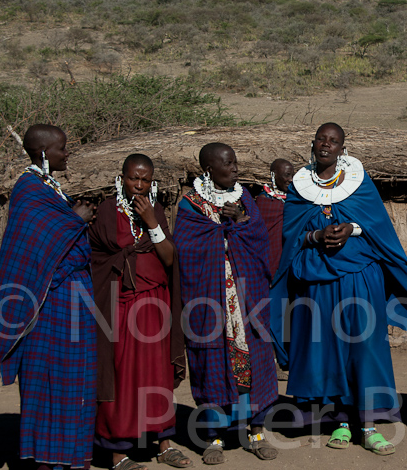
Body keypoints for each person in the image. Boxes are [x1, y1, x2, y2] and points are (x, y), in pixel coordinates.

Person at [269, 123, 407, 456]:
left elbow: (378, 226)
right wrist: (316, 237)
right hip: (318, 282)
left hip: (359, 276)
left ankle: (368, 426)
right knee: (330, 350)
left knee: (365, 349)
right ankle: (341, 421)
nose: (326, 144)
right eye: (321, 139)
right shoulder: (299, 186)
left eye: (334, 141)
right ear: (313, 144)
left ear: (343, 147)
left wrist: (351, 228)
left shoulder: (359, 182)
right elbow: (291, 234)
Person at [0, 124, 97, 470]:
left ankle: (72, 459)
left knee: (76, 387)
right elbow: (36, 258)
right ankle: (47, 462)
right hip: (48, 307)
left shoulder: (49, 188)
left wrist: (73, 224)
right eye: (62, 148)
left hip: (74, 303)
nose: (67, 154)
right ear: (45, 153)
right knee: (48, 386)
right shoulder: (29, 191)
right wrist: (75, 221)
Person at [174, 143, 278, 464]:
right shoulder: (190, 206)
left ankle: (256, 430)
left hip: (246, 301)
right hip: (210, 300)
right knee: (213, 364)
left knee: (254, 362)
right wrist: (221, 231)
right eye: (228, 164)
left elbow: (261, 242)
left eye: (235, 163)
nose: (235, 169)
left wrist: (242, 222)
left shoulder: (244, 197)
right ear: (209, 169)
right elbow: (186, 253)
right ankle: (214, 435)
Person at [90, 154, 189, 470]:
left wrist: (152, 223)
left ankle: (163, 445)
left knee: (156, 376)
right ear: (122, 177)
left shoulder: (156, 210)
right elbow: (98, 259)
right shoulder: (106, 212)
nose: (140, 185)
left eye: (146, 180)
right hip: (119, 307)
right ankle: (119, 454)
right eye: (134, 178)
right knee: (121, 378)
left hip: (155, 306)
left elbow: (170, 258)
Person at [254, 158, 294, 277]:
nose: (291, 179)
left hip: (291, 254)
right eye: (287, 175)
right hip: (270, 254)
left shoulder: (296, 198)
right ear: (274, 175)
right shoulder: (264, 201)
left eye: (292, 175)